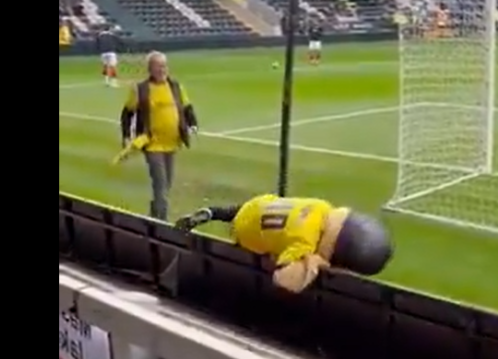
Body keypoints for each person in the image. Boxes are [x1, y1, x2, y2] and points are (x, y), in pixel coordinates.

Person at [174, 194, 394, 294]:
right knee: (245, 232)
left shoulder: (320, 207)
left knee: (239, 212)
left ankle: (212, 212)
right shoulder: (303, 243)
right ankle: (217, 215)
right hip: (248, 233)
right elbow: (284, 278)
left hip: (262, 203)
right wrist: (314, 262)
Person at [119, 51, 198, 220]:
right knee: (161, 185)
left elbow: (187, 108)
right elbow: (127, 113)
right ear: (151, 69)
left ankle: (153, 217)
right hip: (152, 144)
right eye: (159, 66)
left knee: (166, 185)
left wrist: (193, 125)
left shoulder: (175, 86)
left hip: (172, 143)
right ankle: (162, 223)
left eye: (165, 66)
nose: (163, 69)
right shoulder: (141, 89)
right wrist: (126, 136)